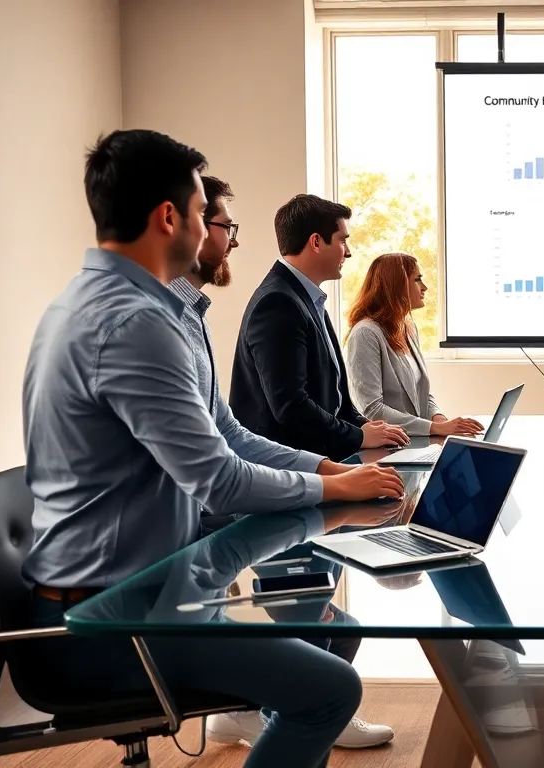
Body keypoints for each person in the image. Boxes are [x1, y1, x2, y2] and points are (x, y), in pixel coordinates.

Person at [22, 129, 407, 768]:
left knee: (329, 628)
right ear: (169, 217)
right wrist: (336, 488)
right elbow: (219, 481)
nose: (211, 232)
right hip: (119, 622)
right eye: (205, 214)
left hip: (151, 592)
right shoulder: (136, 323)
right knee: (330, 689)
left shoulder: (122, 306)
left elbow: (225, 431)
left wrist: (320, 466)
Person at [167, 176, 396, 748]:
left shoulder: (196, 315)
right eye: (222, 225)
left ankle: (262, 710)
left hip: (256, 497)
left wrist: (334, 469)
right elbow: (282, 411)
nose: (234, 241)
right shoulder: (272, 303)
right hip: (209, 535)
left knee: (331, 626)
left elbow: (229, 431)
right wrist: (328, 478)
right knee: (318, 630)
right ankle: (283, 708)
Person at [229, 194, 404, 460]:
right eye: (343, 240)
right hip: (283, 468)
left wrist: (362, 425)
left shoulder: (306, 297)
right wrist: (359, 437)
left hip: (314, 457)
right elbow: (291, 407)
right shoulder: (278, 303)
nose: (348, 251)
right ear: (316, 242)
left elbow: (334, 397)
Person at [343, 252, 483, 437]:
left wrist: (440, 420)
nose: (424, 287)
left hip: (414, 441)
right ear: (397, 285)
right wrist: (434, 428)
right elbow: (372, 409)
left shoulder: (408, 327)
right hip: (387, 446)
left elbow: (422, 395)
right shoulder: (366, 334)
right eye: (417, 280)